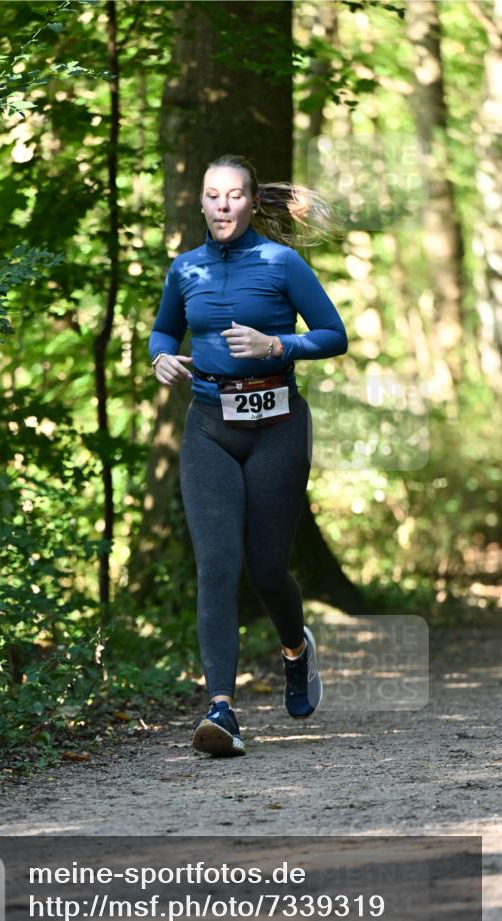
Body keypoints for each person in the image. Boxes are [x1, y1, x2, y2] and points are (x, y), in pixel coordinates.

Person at [148, 154, 348, 758]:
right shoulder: (185, 269)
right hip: (210, 426)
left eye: (234, 196)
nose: (222, 206)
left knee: (265, 569)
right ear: (202, 203)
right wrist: (160, 356)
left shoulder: (281, 262)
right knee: (216, 564)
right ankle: (221, 710)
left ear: (251, 201)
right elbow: (163, 331)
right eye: (213, 196)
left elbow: (334, 335)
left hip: (278, 425)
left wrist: (275, 343)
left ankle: (295, 649)